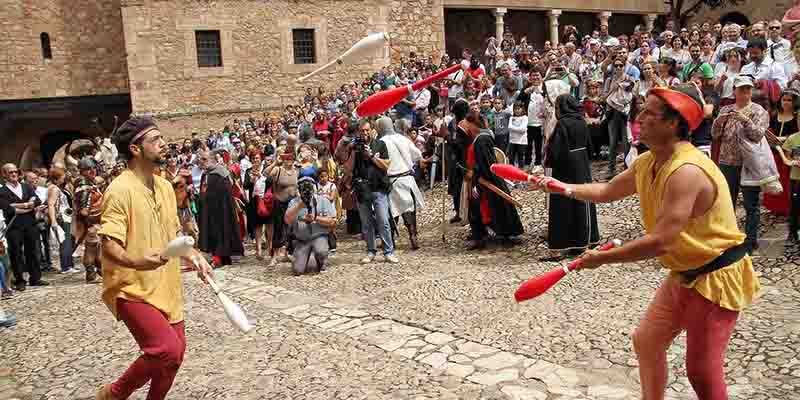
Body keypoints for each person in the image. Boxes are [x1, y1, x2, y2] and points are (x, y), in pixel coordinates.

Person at [532, 84, 760, 400]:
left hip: (716, 276)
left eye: (649, 112)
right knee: (648, 340)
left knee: (702, 373)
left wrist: (600, 259)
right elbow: (607, 191)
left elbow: (660, 243)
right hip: (683, 274)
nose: (639, 116)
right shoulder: (647, 161)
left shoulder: (687, 171)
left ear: (672, 122)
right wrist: (563, 187)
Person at [95, 116, 214, 400]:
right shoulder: (119, 190)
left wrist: (194, 255)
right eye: (155, 140)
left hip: (166, 285)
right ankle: (114, 394)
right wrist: (138, 261)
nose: (164, 145)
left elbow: (172, 234)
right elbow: (109, 244)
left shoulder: (163, 186)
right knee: (165, 350)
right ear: (135, 149)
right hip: (130, 287)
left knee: (175, 356)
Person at [711, 76, 770, 253]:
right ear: (734, 90)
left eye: (748, 89)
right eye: (741, 89)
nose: (745, 92)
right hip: (727, 161)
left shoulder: (759, 111)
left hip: (749, 163)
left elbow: (758, 134)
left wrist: (745, 119)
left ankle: (751, 241)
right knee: (726, 201)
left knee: (751, 204)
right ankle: (727, 237)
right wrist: (718, 122)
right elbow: (715, 135)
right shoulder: (726, 109)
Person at [540, 95, 600, 261]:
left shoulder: (563, 124)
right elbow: (590, 145)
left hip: (566, 167)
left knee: (563, 204)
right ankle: (585, 240)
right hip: (582, 164)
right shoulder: (581, 121)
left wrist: (547, 159)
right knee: (583, 199)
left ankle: (561, 246)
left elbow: (556, 151)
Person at [458, 110, 524, 250]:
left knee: (492, 207)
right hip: (478, 179)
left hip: (484, 179)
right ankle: (480, 236)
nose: (464, 125)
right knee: (477, 209)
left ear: (472, 124)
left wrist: (475, 174)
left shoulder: (482, 139)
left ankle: (501, 235)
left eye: (466, 122)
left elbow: (486, 163)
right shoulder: (478, 138)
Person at [351, 119, 397, 264]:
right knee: (366, 223)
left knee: (383, 221)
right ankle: (370, 251)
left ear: (372, 130)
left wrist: (371, 156)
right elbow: (348, 168)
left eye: (367, 130)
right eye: (362, 131)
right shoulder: (355, 148)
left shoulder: (380, 144)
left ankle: (388, 251)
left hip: (379, 188)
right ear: (358, 132)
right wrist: (352, 152)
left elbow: (385, 166)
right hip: (362, 189)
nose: (365, 133)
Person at [376, 116, 425, 251]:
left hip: (391, 180)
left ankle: (390, 239)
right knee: (408, 209)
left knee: (391, 212)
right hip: (406, 179)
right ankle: (413, 235)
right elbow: (417, 154)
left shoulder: (380, 142)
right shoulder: (404, 139)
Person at [0, 164, 46, 291]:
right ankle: (20, 280)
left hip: (30, 224)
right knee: (16, 253)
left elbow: (37, 201)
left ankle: (35, 278)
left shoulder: (26, 187)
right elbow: (8, 208)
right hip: (14, 226)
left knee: (33, 251)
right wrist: (28, 205)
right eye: (10, 172)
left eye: (16, 171)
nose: (14, 174)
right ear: (4, 175)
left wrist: (20, 206)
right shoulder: (2, 191)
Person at [196, 149, 244, 268]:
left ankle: (220, 257)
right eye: (200, 159)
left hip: (220, 211)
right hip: (209, 210)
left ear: (213, 159)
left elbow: (224, 196)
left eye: (204, 159)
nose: (201, 162)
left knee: (220, 231)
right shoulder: (206, 174)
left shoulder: (221, 174)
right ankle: (216, 256)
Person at [284, 177, 337, 274]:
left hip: (319, 236)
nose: (306, 190)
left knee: (320, 251)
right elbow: (287, 220)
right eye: (303, 187)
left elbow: (332, 222)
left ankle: (321, 259)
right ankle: (310, 255)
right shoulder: (294, 202)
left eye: (309, 186)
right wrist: (299, 206)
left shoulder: (323, 200)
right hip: (302, 240)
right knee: (297, 270)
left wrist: (315, 218)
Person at [764, 89, 800, 216]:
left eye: (789, 100)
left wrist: (784, 139)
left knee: (786, 179)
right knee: (773, 178)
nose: (786, 103)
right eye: (784, 100)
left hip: (788, 151)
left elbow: (797, 134)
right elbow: (769, 130)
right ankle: (774, 207)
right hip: (774, 151)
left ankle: (787, 208)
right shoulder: (774, 115)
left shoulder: (796, 117)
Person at [73, 157, 105, 283]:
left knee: (97, 247)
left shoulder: (90, 183)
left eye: (93, 168)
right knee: (91, 248)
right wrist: (91, 221)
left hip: (95, 222)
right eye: (88, 169)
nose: (92, 171)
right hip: (90, 223)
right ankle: (91, 275)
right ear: (82, 171)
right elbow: (84, 211)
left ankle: (100, 270)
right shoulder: (84, 187)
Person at [46, 166, 77, 274]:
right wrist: (53, 221)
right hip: (62, 217)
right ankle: (66, 266)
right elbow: (51, 205)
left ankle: (69, 264)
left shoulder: (60, 187)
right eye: (63, 176)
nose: (64, 178)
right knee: (65, 242)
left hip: (67, 216)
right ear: (57, 178)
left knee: (68, 241)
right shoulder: (54, 189)